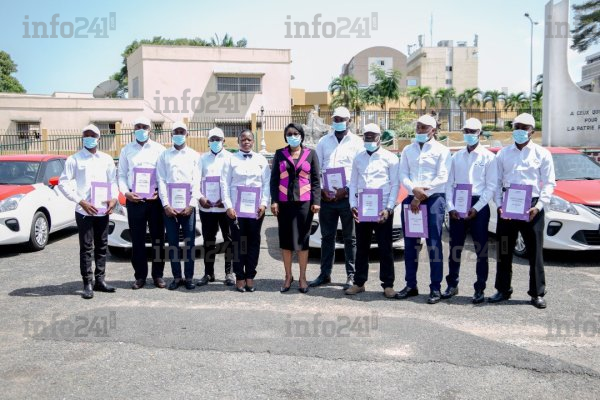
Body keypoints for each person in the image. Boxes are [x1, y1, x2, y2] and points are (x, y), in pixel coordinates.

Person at [489, 113, 555, 309]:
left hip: (532, 206)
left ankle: (537, 293)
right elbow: (496, 182)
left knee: (535, 252)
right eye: (516, 126)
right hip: (508, 205)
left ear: (532, 131)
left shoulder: (542, 154)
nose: (519, 130)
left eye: (524, 127)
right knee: (503, 249)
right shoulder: (503, 154)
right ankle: (503, 289)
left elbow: (549, 183)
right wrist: (499, 205)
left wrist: (539, 206)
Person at [58, 124, 118, 299]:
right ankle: (87, 283)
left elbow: (113, 182)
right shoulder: (74, 159)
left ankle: (100, 280)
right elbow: (63, 183)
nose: (89, 138)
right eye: (86, 135)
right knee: (86, 248)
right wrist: (80, 201)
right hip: (84, 211)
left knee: (102, 246)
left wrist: (114, 198)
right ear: (82, 137)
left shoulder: (106, 159)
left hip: (102, 211)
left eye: (93, 135)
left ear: (99, 138)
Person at [397, 114, 451, 304]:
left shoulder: (442, 150)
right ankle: (411, 285)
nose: (419, 130)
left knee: (433, 245)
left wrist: (419, 195)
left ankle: (435, 287)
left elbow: (442, 177)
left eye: (424, 127)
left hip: (433, 200)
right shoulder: (408, 149)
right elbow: (403, 174)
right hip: (411, 199)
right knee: (410, 245)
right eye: (418, 126)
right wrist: (414, 190)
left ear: (433, 130)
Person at [443, 118, 497, 304]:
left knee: (481, 249)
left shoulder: (489, 157)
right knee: (455, 247)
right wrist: (450, 207)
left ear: (479, 133)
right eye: (466, 131)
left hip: (478, 205)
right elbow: (449, 184)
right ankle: (452, 284)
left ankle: (480, 288)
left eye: (472, 131)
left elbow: (491, 186)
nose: (469, 134)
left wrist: (477, 207)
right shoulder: (456, 156)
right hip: (458, 203)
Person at [310, 106, 364, 290]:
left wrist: (347, 189)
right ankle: (325, 274)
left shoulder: (357, 142)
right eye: (336, 119)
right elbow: (316, 168)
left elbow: (360, 170)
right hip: (327, 198)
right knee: (327, 237)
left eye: (342, 119)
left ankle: (351, 275)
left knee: (350, 238)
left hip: (347, 197)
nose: (338, 122)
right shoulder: (324, 141)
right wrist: (321, 190)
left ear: (349, 121)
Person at [345, 123, 399, 298]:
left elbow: (395, 185)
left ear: (379, 137)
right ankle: (359, 282)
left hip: (382, 210)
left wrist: (389, 208)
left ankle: (388, 285)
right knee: (362, 247)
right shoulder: (358, 158)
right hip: (363, 208)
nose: (369, 139)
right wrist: (353, 205)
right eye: (366, 136)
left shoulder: (390, 158)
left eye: (372, 136)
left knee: (385, 248)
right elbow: (353, 183)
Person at [270, 123, 321, 294]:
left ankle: (302, 278)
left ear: (301, 135)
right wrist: (274, 201)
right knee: (286, 241)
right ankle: (287, 276)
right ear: (285, 137)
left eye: (296, 133)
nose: (293, 136)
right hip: (284, 203)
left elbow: (316, 180)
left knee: (302, 241)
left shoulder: (310, 154)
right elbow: (274, 180)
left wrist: (316, 201)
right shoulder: (280, 154)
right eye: (289, 134)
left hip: (304, 204)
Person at [117, 116, 167, 290]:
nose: (141, 129)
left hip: (155, 200)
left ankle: (158, 275)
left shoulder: (160, 150)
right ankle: (140, 276)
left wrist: (160, 193)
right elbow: (121, 175)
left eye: (144, 126)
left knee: (158, 239)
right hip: (134, 200)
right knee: (137, 239)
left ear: (150, 129)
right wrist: (126, 193)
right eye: (137, 126)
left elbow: (164, 175)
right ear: (133, 129)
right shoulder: (126, 150)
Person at [221, 129, 271, 293]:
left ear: (253, 141)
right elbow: (224, 184)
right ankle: (240, 276)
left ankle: (250, 275)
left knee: (253, 243)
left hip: (256, 210)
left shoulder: (261, 160)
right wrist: (228, 206)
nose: (246, 142)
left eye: (249, 139)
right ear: (238, 141)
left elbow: (267, 183)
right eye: (243, 139)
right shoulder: (230, 159)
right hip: (236, 210)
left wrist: (264, 204)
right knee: (238, 243)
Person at [156, 122, 201, 291]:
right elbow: (161, 180)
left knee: (189, 243)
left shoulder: (194, 155)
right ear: (171, 134)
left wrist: (191, 204)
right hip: (170, 208)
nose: (179, 134)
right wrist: (166, 204)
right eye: (176, 132)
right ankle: (176, 277)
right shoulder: (164, 155)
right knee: (173, 243)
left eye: (182, 132)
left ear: (187, 134)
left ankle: (189, 277)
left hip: (188, 207)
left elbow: (197, 181)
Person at [197, 127, 235, 287]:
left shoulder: (231, 158)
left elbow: (233, 182)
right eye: (212, 139)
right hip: (207, 207)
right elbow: (195, 180)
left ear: (223, 141)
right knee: (208, 241)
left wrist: (225, 200)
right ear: (208, 141)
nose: (215, 142)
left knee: (228, 240)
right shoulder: (202, 159)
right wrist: (200, 197)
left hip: (225, 208)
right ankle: (208, 273)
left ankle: (229, 273)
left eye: (218, 139)